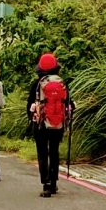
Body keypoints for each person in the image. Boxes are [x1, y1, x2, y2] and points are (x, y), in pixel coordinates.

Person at [27, 53, 74, 198]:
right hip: (57, 123)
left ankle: (46, 184)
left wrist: (32, 119)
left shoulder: (37, 85)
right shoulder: (62, 83)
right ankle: (54, 182)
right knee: (54, 151)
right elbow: (69, 104)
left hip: (40, 124)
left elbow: (29, 106)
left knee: (42, 153)